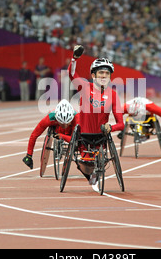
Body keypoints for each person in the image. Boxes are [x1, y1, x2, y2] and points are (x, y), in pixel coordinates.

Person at [68, 45, 124, 183]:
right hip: (84, 136)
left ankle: (94, 174)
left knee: (95, 167)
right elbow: (72, 74)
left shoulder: (113, 95)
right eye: (100, 73)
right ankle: (89, 174)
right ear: (93, 75)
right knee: (85, 166)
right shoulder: (85, 87)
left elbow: (121, 124)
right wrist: (74, 58)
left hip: (101, 137)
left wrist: (111, 127)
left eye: (106, 73)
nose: (104, 76)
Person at [22, 99, 78, 169]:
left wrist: (62, 136)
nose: (64, 125)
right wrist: (29, 155)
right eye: (61, 123)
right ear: (56, 118)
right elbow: (34, 135)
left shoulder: (77, 118)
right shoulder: (50, 118)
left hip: (70, 131)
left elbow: (76, 139)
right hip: (57, 129)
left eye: (67, 123)